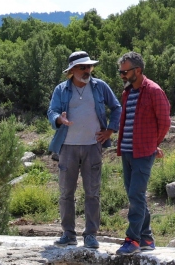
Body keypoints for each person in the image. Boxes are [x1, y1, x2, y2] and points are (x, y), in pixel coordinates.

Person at [47, 51, 121, 249]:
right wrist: (59, 119)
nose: (87, 70)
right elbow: (51, 111)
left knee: (92, 193)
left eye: (89, 66)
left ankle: (90, 235)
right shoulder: (61, 90)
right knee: (66, 193)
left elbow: (116, 107)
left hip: (92, 147)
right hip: (67, 147)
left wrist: (110, 130)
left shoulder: (100, 87)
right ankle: (68, 234)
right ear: (72, 71)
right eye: (82, 67)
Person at [114, 51, 171, 255]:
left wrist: (152, 145)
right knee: (134, 195)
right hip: (128, 152)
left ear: (138, 70)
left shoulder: (154, 91)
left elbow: (165, 122)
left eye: (125, 72)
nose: (122, 75)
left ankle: (133, 240)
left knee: (136, 194)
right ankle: (146, 238)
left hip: (143, 153)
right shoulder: (127, 93)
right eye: (120, 72)